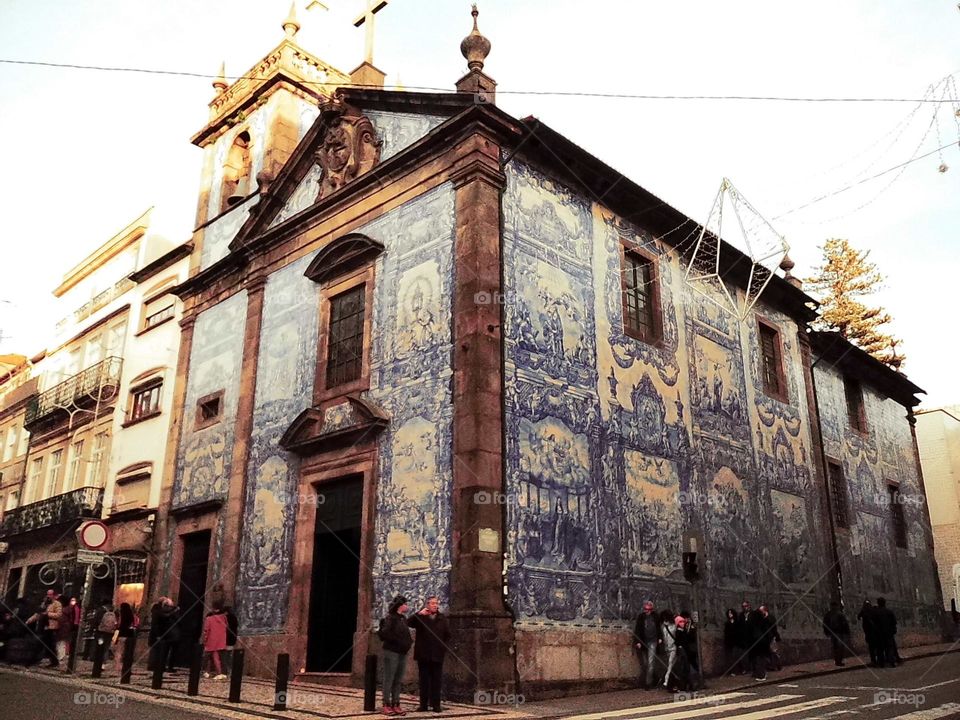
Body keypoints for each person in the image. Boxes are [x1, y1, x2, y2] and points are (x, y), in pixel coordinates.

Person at [407, 596, 451, 713]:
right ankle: (423, 705)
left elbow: (447, 635)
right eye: (432, 603)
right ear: (427, 605)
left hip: (437, 654)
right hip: (424, 654)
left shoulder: (442, 618)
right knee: (424, 680)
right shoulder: (421, 617)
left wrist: (442, 647)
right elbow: (409, 623)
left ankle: (436, 704)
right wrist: (419, 614)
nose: (435, 605)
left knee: (436, 680)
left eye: (436, 603)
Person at [377, 594, 412, 716]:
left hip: (402, 652)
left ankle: (396, 703)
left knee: (398, 679)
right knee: (389, 678)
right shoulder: (390, 618)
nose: (407, 606)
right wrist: (398, 641)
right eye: (405, 604)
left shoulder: (403, 618)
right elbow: (385, 634)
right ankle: (386, 704)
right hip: (391, 651)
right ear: (400, 606)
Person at [149, 597, 182, 674]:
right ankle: (160, 666)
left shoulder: (169, 613)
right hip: (167, 635)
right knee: (164, 651)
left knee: (167, 651)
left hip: (170, 635)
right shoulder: (161, 612)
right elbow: (158, 622)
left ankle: (165, 666)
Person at [633, 600, 661, 689]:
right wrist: (637, 641)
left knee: (651, 662)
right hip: (643, 641)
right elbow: (637, 629)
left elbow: (658, 627)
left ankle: (648, 683)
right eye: (645, 609)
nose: (647, 611)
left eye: (648, 609)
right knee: (645, 663)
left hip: (653, 641)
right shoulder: (641, 617)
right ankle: (649, 680)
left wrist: (659, 638)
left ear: (652, 610)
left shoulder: (655, 616)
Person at [201, 604, 229, 680]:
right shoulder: (224, 618)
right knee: (218, 656)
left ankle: (212, 672)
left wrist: (205, 639)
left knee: (209, 656)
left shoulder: (209, 619)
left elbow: (206, 630)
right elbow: (227, 627)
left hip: (211, 640)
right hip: (221, 640)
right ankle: (220, 673)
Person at [750, 606, 777, 681]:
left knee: (761, 659)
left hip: (760, 643)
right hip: (761, 643)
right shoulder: (762, 621)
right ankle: (760, 673)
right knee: (760, 659)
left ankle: (762, 673)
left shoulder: (762, 622)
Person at [822, 601, 850, 666]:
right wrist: (827, 632)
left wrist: (846, 632)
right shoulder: (830, 614)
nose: (834, 607)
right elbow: (825, 624)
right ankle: (838, 660)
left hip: (839, 633)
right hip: (835, 633)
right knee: (837, 647)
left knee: (839, 647)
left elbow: (845, 624)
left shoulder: (839, 614)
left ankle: (838, 660)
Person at [874, 597, 899, 668]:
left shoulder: (876, 613)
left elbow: (873, 623)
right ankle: (892, 662)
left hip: (879, 634)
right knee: (890, 648)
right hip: (888, 633)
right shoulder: (889, 611)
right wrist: (893, 630)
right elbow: (894, 622)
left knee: (880, 649)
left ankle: (881, 663)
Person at [113, 603, 136, 675]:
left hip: (121, 633)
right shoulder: (131, 615)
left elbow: (118, 625)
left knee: (118, 650)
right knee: (127, 651)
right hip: (129, 634)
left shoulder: (121, 615)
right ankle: (125, 667)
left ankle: (118, 666)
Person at [659, 610, 678, 691]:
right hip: (667, 647)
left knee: (670, 663)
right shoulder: (662, 626)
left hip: (673, 647)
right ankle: (670, 680)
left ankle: (666, 681)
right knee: (670, 665)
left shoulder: (674, 626)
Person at [857, 600, 879, 666]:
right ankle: (874, 660)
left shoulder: (867, 611)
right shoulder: (866, 611)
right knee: (873, 646)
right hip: (870, 631)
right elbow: (858, 616)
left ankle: (875, 660)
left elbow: (859, 617)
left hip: (872, 631)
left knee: (873, 646)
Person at [735, 601, 752, 675]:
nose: (745, 608)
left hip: (751, 637)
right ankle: (745, 668)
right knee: (744, 654)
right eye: (743, 606)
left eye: (746, 606)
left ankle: (752, 667)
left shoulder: (753, 614)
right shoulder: (741, 615)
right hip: (744, 638)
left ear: (749, 606)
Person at [722, 608, 742, 675]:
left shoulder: (737, 622)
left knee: (736, 657)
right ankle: (732, 671)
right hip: (729, 643)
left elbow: (739, 632)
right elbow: (726, 633)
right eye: (729, 613)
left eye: (731, 613)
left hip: (736, 642)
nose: (730, 614)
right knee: (730, 658)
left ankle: (738, 670)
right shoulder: (727, 623)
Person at [222, 605, 239, 675]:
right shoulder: (234, 618)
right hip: (232, 639)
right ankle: (230, 671)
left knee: (225, 656)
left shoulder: (225, 618)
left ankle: (225, 671)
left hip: (225, 639)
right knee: (229, 655)